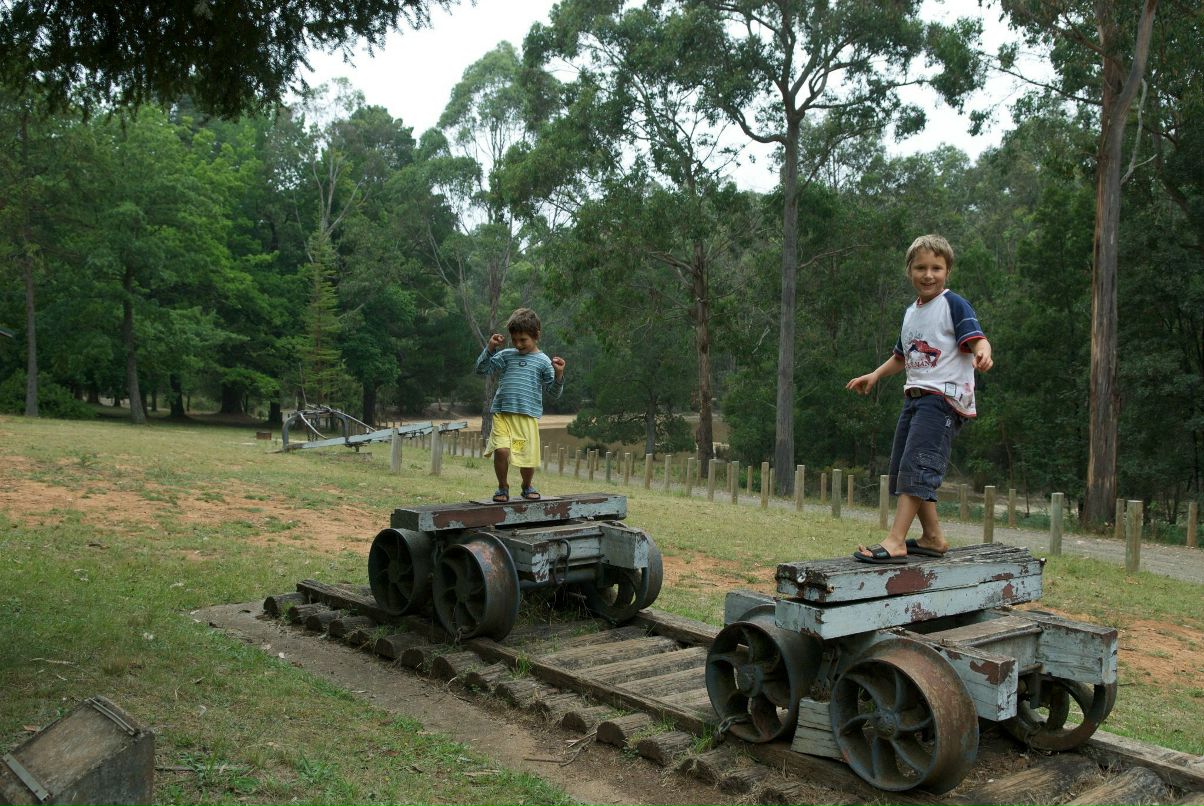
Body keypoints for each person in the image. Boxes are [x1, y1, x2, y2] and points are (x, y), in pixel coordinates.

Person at [845, 234, 993, 564]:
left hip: (942, 399)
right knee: (906, 467)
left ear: (947, 271)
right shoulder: (911, 312)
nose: (928, 275)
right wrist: (875, 375)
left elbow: (978, 339)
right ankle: (933, 538)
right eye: (920, 268)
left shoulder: (953, 304)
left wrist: (983, 353)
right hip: (914, 398)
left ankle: (896, 540)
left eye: (936, 268)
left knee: (918, 465)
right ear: (909, 271)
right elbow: (903, 356)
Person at [475, 307, 566, 502]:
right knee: (501, 451)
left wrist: (559, 375)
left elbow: (553, 393)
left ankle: (526, 485)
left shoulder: (543, 362)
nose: (518, 344)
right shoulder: (507, 355)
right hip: (502, 414)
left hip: (526, 417)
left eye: (523, 340)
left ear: (536, 335)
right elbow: (481, 369)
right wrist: (490, 348)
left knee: (526, 457)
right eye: (514, 339)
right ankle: (502, 487)